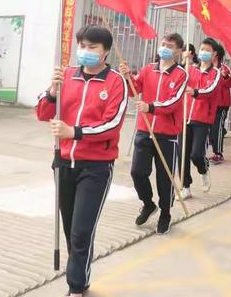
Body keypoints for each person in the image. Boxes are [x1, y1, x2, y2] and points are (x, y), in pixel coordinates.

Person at [36, 25, 128, 297]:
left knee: (81, 231)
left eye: (93, 48)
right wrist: (53, 92)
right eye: (83, 46)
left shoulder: (115, 82)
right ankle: (81, 275)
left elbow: (111, 125)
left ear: (106, 52)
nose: (85, 52)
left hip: (96, 167)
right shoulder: (66, 76)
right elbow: (43, 113)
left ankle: (76, 287)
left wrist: (74, 132)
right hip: (63, 163)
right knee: (69, 228)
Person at [120, 33, 187, 235]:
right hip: (144, 129)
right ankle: (148, 203)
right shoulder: (149, 69)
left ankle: (165, 212)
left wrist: (151, 107)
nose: (165, 47)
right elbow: (134, 89)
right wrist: (127, 77)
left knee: (164, 178)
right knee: (137, 172)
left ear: (178, 51)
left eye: (170, 45)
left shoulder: (181, 74)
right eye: (163, 44)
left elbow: (174, 102)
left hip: (167, 134)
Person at [179, 37, 221, 200]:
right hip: (185, 117)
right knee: (183, 154)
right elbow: (179, 79)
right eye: (201, 49)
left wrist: (195, 92)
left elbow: (209, 90)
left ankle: (203, 169)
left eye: (207, 50)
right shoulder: (191, 69)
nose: (203, 52)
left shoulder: (215, 73)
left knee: (196, 154)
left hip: (202, 119)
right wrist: (184, 62)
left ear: (214, 54)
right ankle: (185, 187)